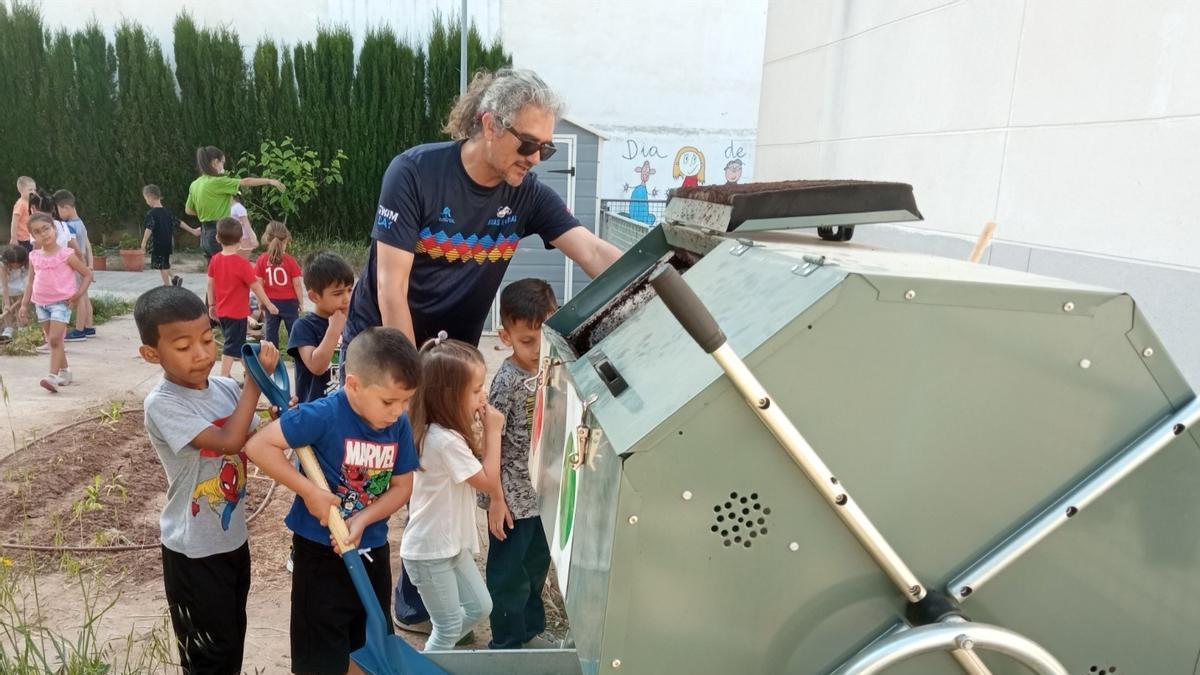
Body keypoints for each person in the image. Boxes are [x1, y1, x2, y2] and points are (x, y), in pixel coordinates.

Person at [338, 67, 622, 629]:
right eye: (528, 143)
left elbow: (589, 250)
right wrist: (410, 384)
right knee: (370, 479)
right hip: (386, 355)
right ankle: (352, 615)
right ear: (490, 124)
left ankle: (420, 604)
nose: (537, 157)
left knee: (441, 479)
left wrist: (664, 278)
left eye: (545, 146)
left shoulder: (526, 196)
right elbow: (391, 290)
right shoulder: (416, 173)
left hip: (451, 365)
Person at [245, 327, 421, 675]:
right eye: (389, 401)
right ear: (353, 385)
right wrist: (309, 490)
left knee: (366, 645)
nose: (399, 411)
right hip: (320, 556)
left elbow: (402, 487)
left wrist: (362, 519)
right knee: (320, 655)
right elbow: (258, 446)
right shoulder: (323, 415)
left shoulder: (395, 423)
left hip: (371, 550)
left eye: (406, 401)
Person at [134, 285, 280, 674]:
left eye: (207, 339)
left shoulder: (227, 389)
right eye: (183, 347)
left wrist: (282, 416)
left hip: (232, 540)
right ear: (152, 354)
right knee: (206, 655)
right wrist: (256, 382)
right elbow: (230, 439)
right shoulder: (163, 404)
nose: (200, 354)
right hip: (192, 552)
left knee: (231, 640)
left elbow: (253, 440)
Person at [401, 336, 503, 651]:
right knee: (446, 629)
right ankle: (429, 665)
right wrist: (494, 430)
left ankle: (438, 660)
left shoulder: (443, 434)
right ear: (448, 396)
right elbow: (487, 480)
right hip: (430, 552)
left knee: (479, 608)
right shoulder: (443, 440)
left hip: (449, 546)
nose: (482, 396)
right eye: (475, 391)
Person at [478, 279, 556, 649]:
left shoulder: (552, 367)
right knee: (508, 572)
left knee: (537, 563)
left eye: (544, 338)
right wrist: (495, 498)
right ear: (505, 336)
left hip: (543, 492)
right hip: (511, 498)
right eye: (527, 341)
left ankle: (530, 629)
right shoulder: (506, 381)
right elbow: (491, 441)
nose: (537, 349)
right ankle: (506, 642)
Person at [18, 214, 91, 392]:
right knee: (54, 341)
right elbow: (30, 283)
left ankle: (52, 377)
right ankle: (65, 371)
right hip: (40, 304)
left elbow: (87, 274)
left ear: (54, 229)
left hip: (61, 303)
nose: (43, 234)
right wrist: (24, 304)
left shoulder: (67, 255)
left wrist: (77, 295)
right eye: (37, 232)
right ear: (33, 237)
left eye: (46, 228)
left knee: (55, 339)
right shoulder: (34, 256)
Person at [185, 146, 284, 264]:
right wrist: (268, 181)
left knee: (214, 273)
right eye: (223, 162)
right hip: (219, 232)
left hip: (205, 236)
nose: (223, 166)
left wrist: (205, 212)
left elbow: (189, 210)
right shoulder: (217, 181)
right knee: (226, 271)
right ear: (215, 162)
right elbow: (245, 181)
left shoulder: (195, 184)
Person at [207, 217, 278, 378]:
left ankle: (252, 372)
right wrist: (268, 304)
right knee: (231, 347)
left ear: (217, 238)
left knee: (238, 345)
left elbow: (210, 284)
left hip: (222, 311)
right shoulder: (242, 264)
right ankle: (223, 378)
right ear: (240, 241)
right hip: (237, 314)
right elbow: (256, 286)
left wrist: (211, 305)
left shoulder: (215, 260)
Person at [288, 251, 354, 404]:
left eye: (349, 290)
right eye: (338, 293)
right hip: (315, 413)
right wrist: (334, 330)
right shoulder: (304, 326)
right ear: (314, 297)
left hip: (345, 409)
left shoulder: (352, 321)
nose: (346, 298)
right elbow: (317, 366)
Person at [52, 190, 94, 341]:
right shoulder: (80, 223)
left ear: (65, 207)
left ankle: (79, 330)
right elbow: (87, 246)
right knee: (85, 296)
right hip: (83, 266)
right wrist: (89, 266)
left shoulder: (69, 226)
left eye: (57, 210)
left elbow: (74, 249)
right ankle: (88, 326)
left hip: (76, 265)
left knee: (79, 297)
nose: (57, 214)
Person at [255, 221, 303, 348]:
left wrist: (261, 302)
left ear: (266, 238)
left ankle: (272, 356)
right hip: (290, 302)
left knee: (271, 331)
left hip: (270, 302)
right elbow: (297, 284)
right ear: (286, 240)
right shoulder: (290, 260)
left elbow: (258, 284)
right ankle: (296, 356)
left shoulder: (261, 260)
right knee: (293, 330)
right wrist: (301, 302)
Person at [141, 184, 198, 287]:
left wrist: (143, 242)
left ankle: (166, 286)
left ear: (150, 197)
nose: (146, 201)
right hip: (167, 243)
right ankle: (175, 278)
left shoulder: (152, 213)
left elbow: (149, 228)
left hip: (157, 243)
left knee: (162, 266)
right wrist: (193, 231)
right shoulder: (167, 212)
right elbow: (179, 222)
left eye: (146, 199)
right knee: (164, 263)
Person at [1, 244, 29, 343]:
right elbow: (4, 286)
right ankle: (8, 328)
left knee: (20, 307)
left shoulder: (27, 264)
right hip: (8, 285)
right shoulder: (3, 265)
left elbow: (28, 280)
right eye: (13, 265)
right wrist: (8, 304)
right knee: (6, 307)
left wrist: (25, 295)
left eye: (18, 265)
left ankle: (22, 328)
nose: (16, 267)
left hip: (21, 284)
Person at [9, 176, 36, 251]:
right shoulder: (20, 204)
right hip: (22, 239)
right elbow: (14, 222)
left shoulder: (30, 203)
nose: (33, 192)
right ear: (20, 190)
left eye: (34, 190)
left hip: (30, 237)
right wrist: (13, 238)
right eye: (30, 190)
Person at [231, 193, 259, 259]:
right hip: (237, 236)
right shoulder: (232, 207)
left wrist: (253, 238)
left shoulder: (238, 207)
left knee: (241, 261)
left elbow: (246, 223)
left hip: (244, 237)